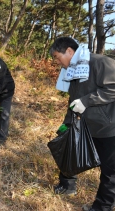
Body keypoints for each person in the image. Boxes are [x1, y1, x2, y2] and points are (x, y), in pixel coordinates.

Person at [50, 37, 115, 211]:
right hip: (84, 124)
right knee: (69, 151)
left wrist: (87, 101)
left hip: (108, 127)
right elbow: (74, 101)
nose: (57, 62)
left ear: (69, 52)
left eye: (57, 57)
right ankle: (67, 185)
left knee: (110, 172)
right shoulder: (73, 70)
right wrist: (67, 123)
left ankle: (102, 207)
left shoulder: (100, 63)